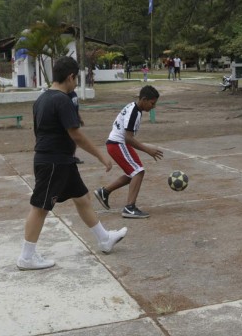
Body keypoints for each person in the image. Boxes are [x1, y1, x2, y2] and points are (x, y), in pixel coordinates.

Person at [17, 56, 127, 270]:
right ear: (70, 77)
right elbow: (76, 135)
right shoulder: (61, 100)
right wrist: (101, 155)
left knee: (82, 198)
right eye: (77, 79)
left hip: (61, 161)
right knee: (40, 207)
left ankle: (104, 239)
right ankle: (26, 257)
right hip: (53, 163)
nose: (76, 83)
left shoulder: (42, 98)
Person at [94, 85, 164, 218]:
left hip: (116, 144)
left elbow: (128, 137)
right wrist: (148, 150)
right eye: (152, 103)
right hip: (117, 144)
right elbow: (128, 139)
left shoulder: (135, 108)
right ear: (143, 99)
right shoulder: (134, 112)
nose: (153, 106)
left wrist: (146, 146)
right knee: (138, 172)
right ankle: (129, 208)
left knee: (132, 173)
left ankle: (104, 192)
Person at [68, 89, 85, 164]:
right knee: (70, 138)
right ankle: (68, 156)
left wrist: (80, 118)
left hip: (75, 119)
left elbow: (76, 108)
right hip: (69, 120)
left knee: (73, 140)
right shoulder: (66, 94)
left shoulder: (74, 93)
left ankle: (72, 156)